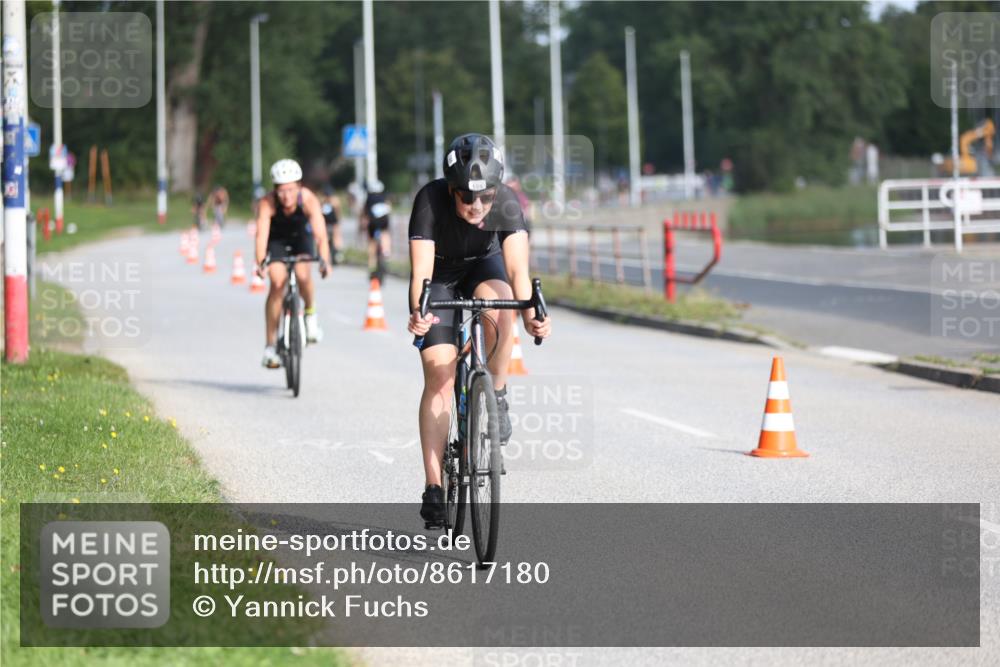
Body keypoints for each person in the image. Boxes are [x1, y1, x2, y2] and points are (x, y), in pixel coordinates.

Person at [406, 133, 552, 524]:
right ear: (451, 189)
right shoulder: (429, 200)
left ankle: (497, 394)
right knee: (439, 375)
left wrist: (531, 316)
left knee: (503, 308)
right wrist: (419, 312)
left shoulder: (506, 201)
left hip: (483, 268)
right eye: (467, 197)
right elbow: (421, 274)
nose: (476, 206)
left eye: (485, 197)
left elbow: (518, 272)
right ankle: (434, 486)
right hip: (439, 278)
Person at [253, 159, 331, 369]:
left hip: (301, 238)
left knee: (303, 274)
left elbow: (321, 235)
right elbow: (261, 236)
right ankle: (270, 346)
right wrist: (260, 262)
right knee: (277, 283)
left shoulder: (308, 199)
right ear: (275, 190)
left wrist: (325, 260)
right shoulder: (267, 203)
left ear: (299, 187)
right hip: (277, 240)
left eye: (290, 190)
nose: (286, 196)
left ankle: (310, 315)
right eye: (281, 191)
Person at [360, 179, 392, 281]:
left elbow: (364, 213)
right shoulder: (384, 197)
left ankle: (371, 265)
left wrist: (362, 225)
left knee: (372, 243)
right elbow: (389, 208)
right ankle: (386, 251)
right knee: (385, 233)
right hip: (384, 220)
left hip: (373, 222)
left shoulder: (369, 198)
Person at [320, 185, 345, 265]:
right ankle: (327, 254)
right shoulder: (323, 202)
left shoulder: (335, 202)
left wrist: (338, 222)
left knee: (336, 236)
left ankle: (338, 252)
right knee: (326, 238)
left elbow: (338, 213)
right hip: (326, 224)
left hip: (333, 223)